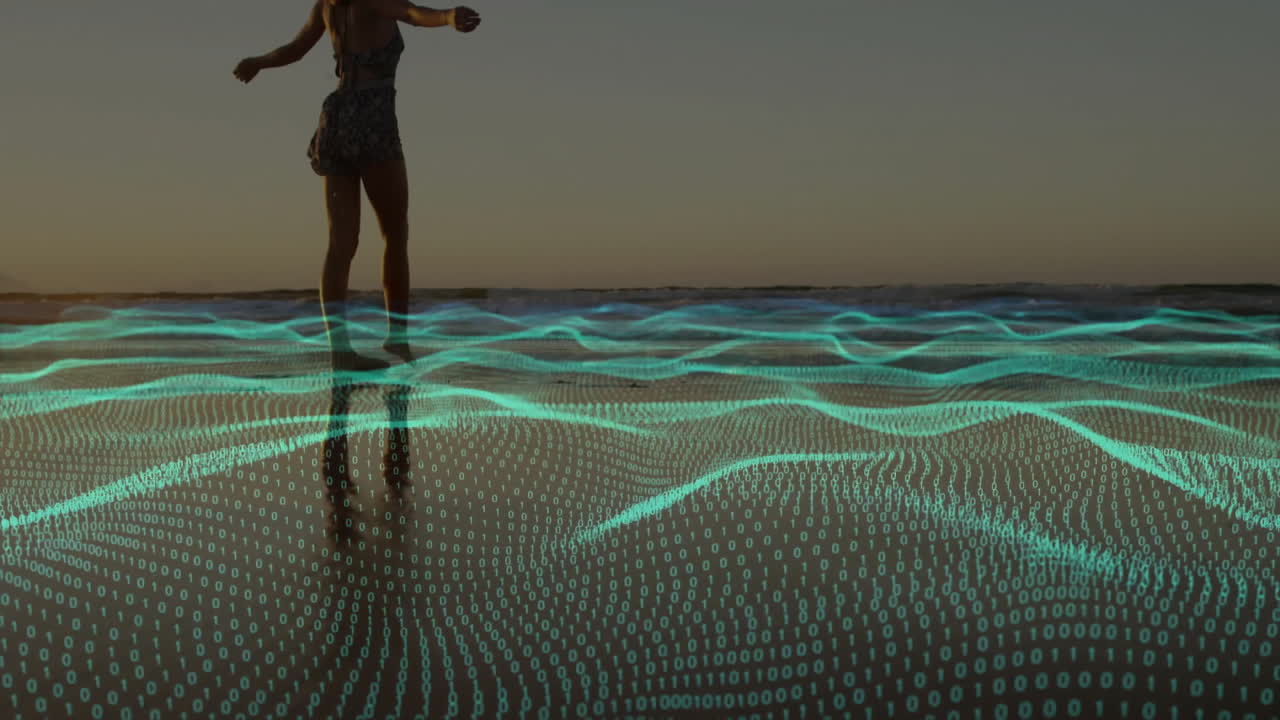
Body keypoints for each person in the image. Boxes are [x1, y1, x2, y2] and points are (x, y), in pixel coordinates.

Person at [233, 0, 481, 372]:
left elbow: (296, 48)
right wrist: (447, 18)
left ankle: (341, 351)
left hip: (335, 120)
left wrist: (258, 62)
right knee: (395, 234)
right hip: (372, 116)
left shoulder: (326, 5)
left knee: (341, 243)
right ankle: (397, 339)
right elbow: (412, 14)